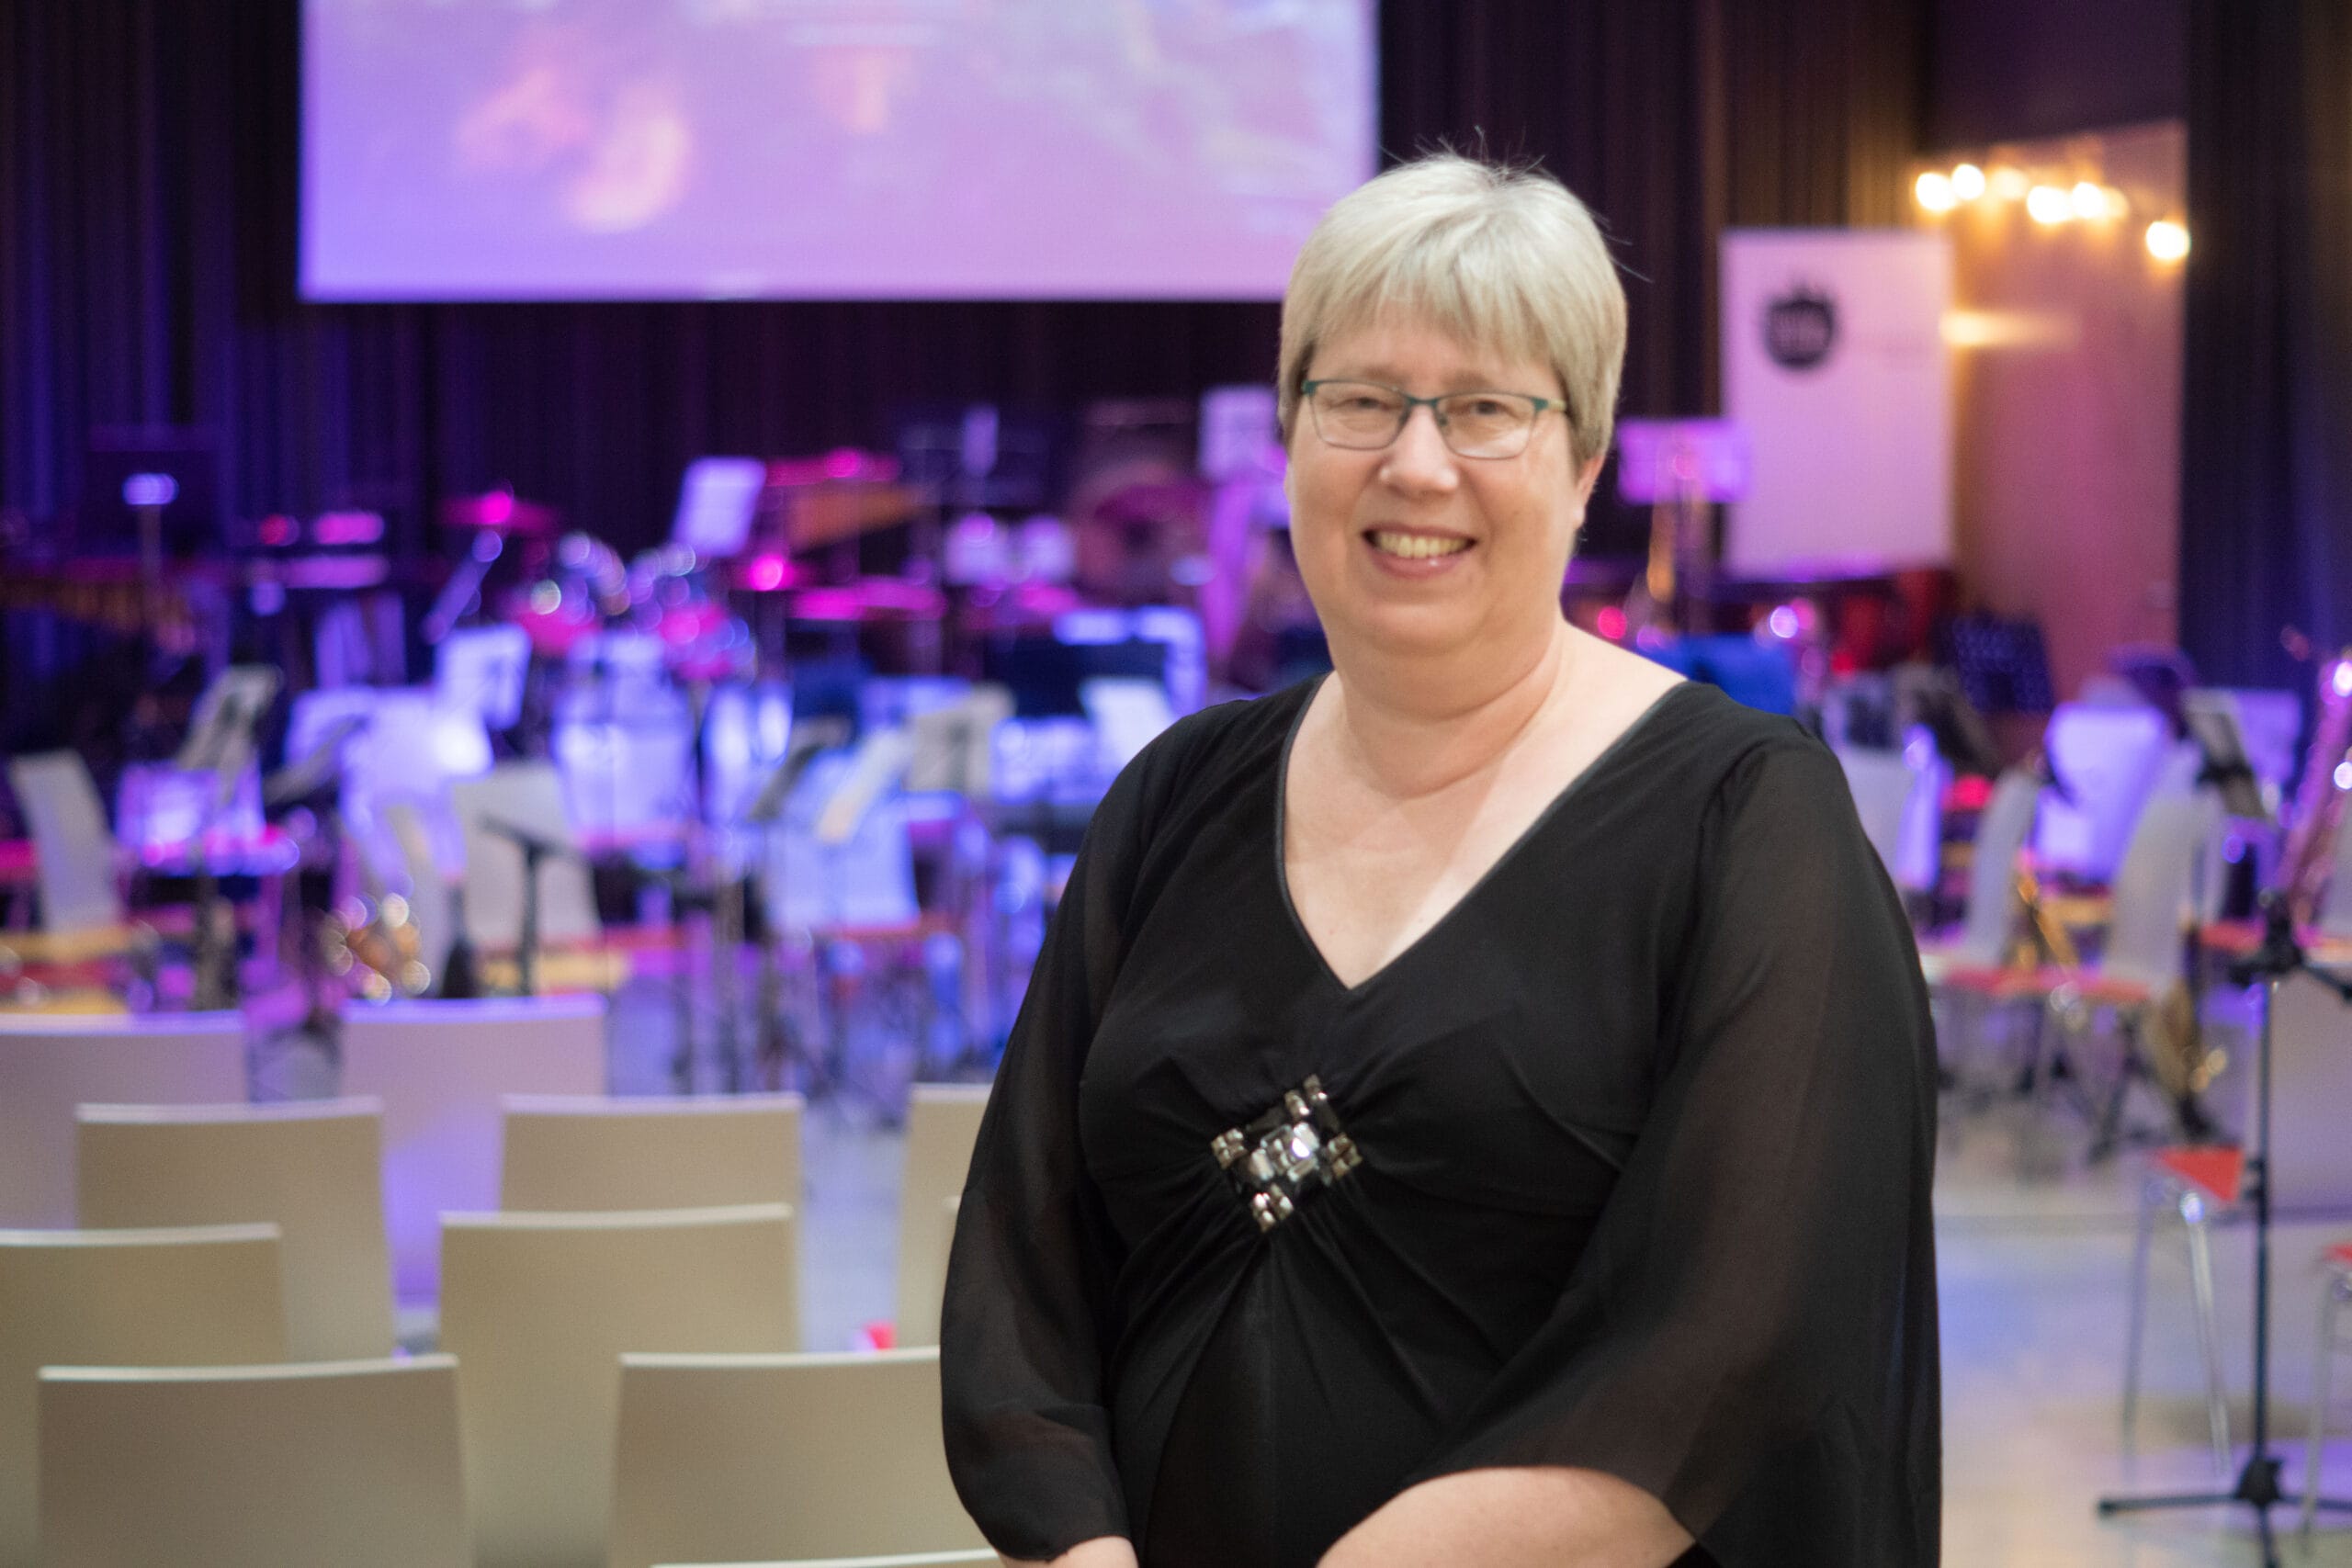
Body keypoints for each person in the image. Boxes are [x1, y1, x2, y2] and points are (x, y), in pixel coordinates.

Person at [940, 153, 1939, 1568]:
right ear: (1291, 438)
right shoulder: (1174, 798)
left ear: (1584, 465)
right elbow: (1019, 1266)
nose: (1415, 464)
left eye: (1484, 409)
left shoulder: (1746, 821)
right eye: (1357, 400)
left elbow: (1736, 1344)